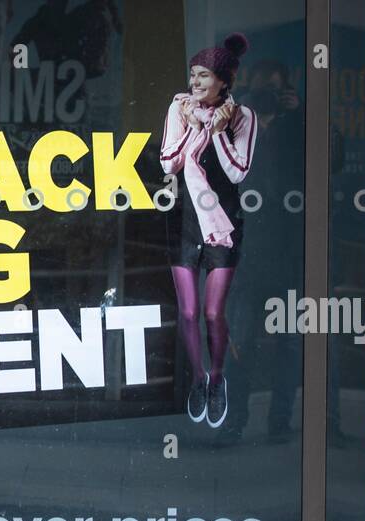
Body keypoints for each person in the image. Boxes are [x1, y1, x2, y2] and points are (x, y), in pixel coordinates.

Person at [159, 32, 257, 429]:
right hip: (184, 218)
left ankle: (217, 379)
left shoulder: (242, 117)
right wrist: (190, 127)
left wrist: (216, 132)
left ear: (222, 81)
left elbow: (238, 171)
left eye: (203, 76)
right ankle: (197, 380)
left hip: (223, 221)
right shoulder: (178, 108)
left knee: (213, 311)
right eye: (193, 75)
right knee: (187, 310)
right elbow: (168, 162)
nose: (195, 82)